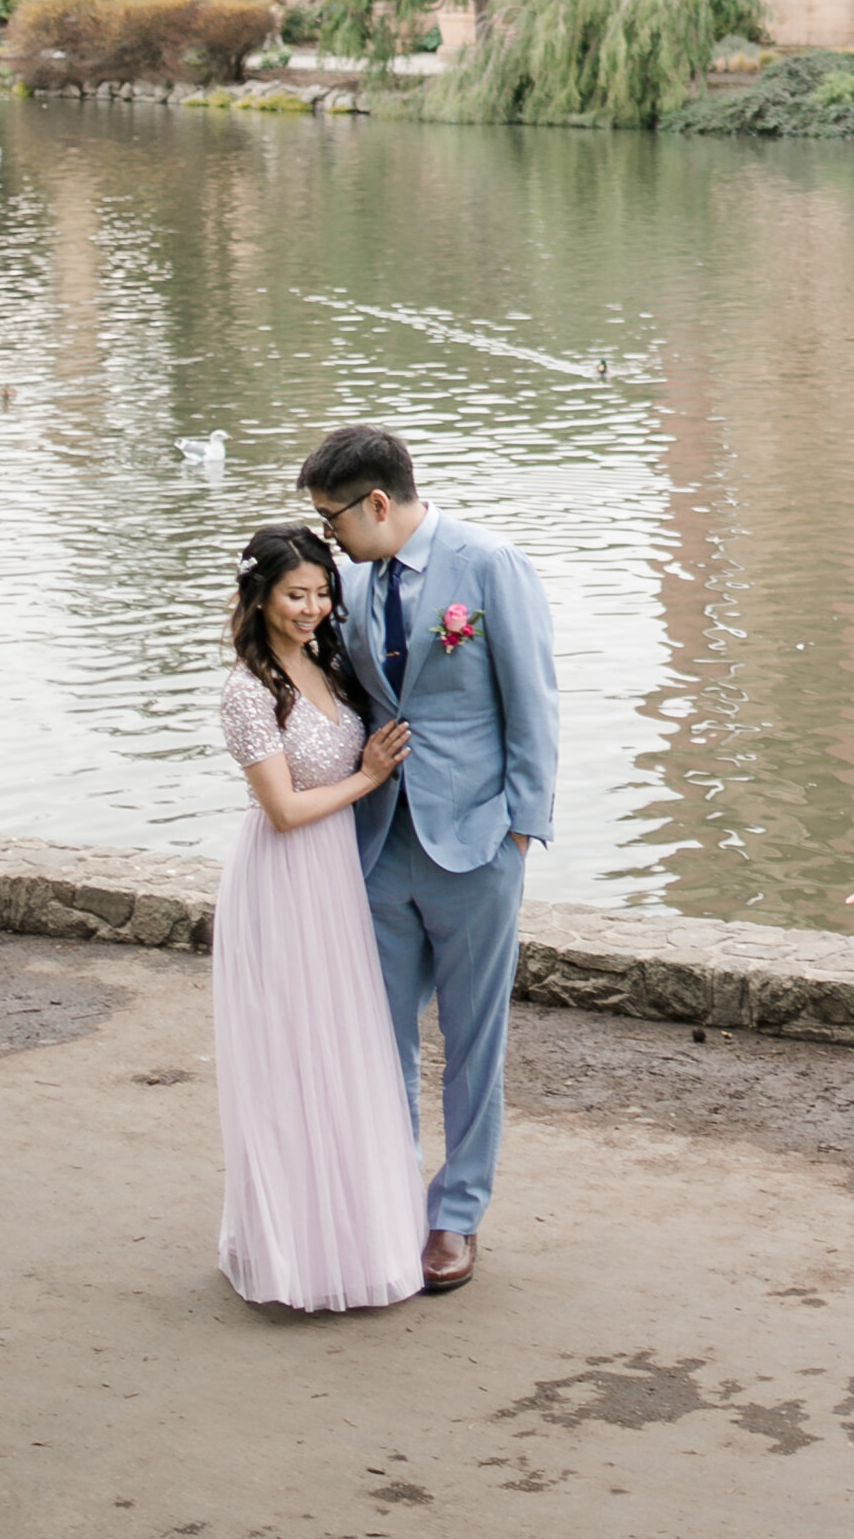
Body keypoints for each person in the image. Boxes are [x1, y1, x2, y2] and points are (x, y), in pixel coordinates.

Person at [297, 423, 559, 1297]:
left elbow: (534, 703)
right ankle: (389, 1201)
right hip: (378, 843)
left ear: (378, 502)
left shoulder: (490, 566)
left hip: (476, 844)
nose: (329, 536)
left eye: (334, 519)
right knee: (379, 1040)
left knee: (474, 1040)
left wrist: (520, 830)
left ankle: (456, 1215)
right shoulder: (352, 583)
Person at [212, 523, 426, 1313]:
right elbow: (283, 809)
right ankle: (293, 1253)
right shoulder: (248, 690)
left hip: (337, 876)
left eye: (321, 593)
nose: (311, 608)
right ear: (259, 597)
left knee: (346, 1048)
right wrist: (368, 777)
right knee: (293, 1057)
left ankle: (357, 1237)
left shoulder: (329, 663)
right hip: (284, 877)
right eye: (294, 595)